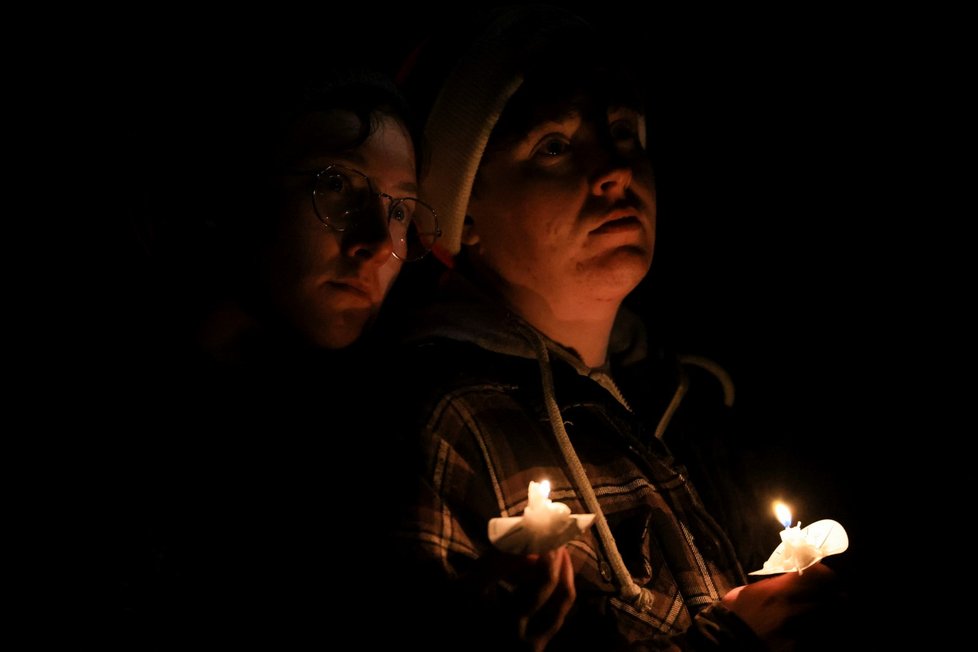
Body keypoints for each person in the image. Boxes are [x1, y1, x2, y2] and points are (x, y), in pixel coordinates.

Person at [386, 5, 850, 650]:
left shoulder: (694, 407)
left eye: (624, 132)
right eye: (553, 147)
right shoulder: (442, 421)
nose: (615, 170)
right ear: (463, 215)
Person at [101, 52, 441, 644]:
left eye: (400, 209)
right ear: (231, 186)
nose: (376, 244)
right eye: (335, 184)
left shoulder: (377, 440)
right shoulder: (135, 418)